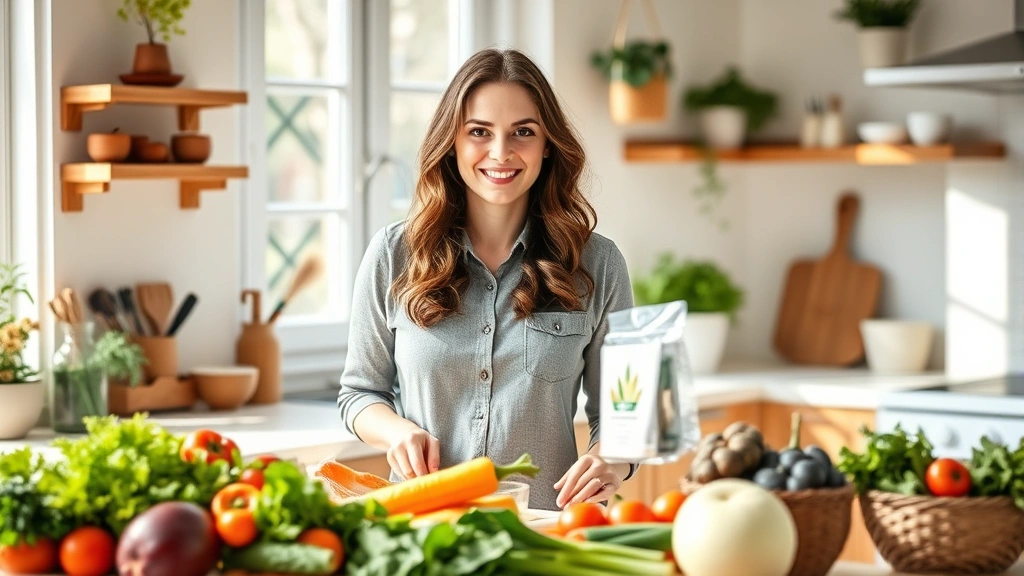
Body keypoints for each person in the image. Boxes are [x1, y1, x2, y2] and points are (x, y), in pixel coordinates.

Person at [337, 48, 635, 511]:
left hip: (544, 534)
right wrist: (397, 432)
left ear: (547, 145)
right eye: (479, 132)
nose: (501, 153)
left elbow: (627, 415)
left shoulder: (598, 263)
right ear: (452, 141)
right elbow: (360, 392)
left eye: (523, 132)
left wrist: (611, 461)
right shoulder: (393, 255)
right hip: (422, 531)